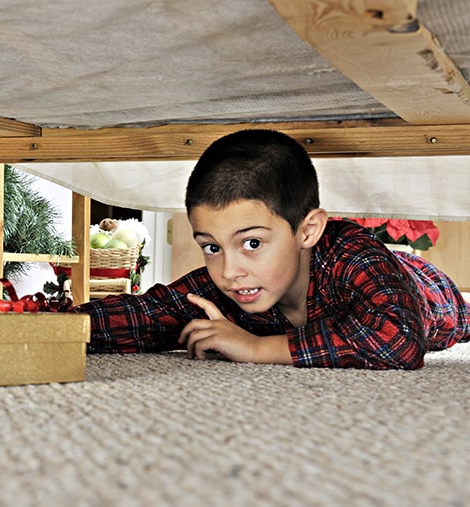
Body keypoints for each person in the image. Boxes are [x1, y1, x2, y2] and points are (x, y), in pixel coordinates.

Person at [71, 129, 470, 369]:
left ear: (308, 229)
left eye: (253, 243)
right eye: (211, 247)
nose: (229, 271)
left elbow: (398, 340)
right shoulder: (232, 282)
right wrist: (39, 325)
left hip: (424, 288)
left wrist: (258, 348)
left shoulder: (353, 256)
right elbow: (143, 314)